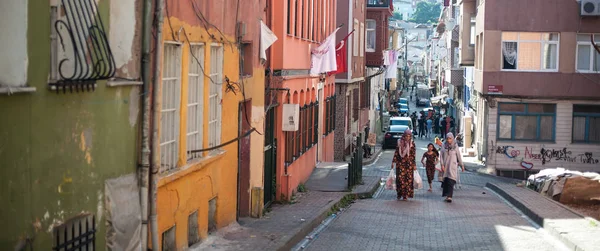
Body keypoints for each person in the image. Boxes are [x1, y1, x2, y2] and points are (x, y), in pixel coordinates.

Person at [391, 129, 416, 201]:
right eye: (406, 136)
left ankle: (406, 195)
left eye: (409, 136)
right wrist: (393, 162)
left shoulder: (412, 144)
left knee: (408, 180)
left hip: (409, 164)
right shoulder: (399, 143)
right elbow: (396, 153)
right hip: (400, 164)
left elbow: (413, 155)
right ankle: (399, 193)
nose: (407, 137)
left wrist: (414, 164)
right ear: (404, 136)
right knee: (400, 179)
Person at [440, 133, 464, 203]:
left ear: (452, 139)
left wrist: (462, 165)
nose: (449, 140)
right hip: (445, 165)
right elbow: (441, 155)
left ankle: (450, 196)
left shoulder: (455, 146)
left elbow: (458, 155)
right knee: (446, 180)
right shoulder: (444, 145)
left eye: (450, 139)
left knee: (451, 180)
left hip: (452, 166)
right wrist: (442, 165)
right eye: (447, 138)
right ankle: (447, 195)